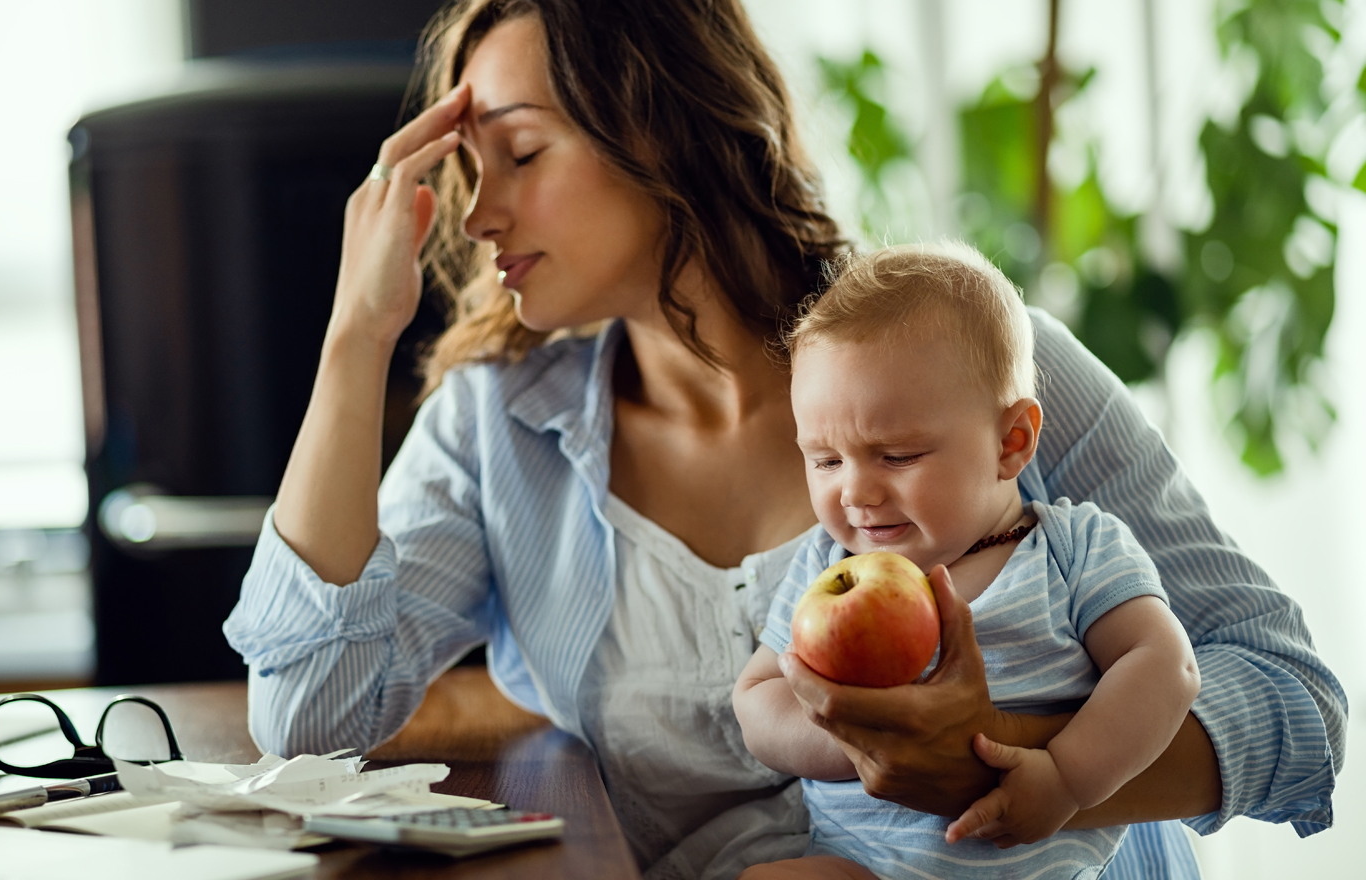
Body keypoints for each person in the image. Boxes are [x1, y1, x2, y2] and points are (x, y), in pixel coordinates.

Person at [222, 2, 1346, 878]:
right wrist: (354, 338)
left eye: (520, 155)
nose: (478, 218)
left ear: (657, 124)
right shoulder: (495, 429)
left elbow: (1295, 700)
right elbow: (307, 715)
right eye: (471, 171)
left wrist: (1010, 760)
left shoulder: (988, 367)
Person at [733, 243, 1201, 879]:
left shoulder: (1072, 550)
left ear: (1011, 444)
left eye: (896, 456)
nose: (855, 493)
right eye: (825, 461)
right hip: (858, 866)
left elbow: (1163, 664)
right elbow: (757, 696)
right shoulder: (828, 563)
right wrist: (859, 738)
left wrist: (1067, 778)